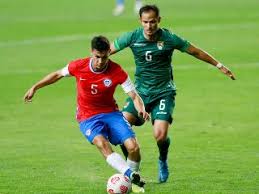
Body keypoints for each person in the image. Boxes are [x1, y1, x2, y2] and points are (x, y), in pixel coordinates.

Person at [110, 4, 236, 183]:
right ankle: (133, 163)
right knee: (122, 126)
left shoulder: (168, 38)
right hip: (140, 93)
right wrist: (88, 67)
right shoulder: (132, 37)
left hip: (163, 92)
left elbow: (195, 51)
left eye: (153, 22)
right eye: (145, 22)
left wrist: (219, 65)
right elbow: (107, 51)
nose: (149, 26)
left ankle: (162, 160)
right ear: (140, 21)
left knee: (160, 135)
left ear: (158, 20)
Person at [23, 36, 149, 191]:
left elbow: (134, 95)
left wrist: (141, 108)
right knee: (101, 143)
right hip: (87, 116)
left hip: (111, 114)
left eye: (104, 57)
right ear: (92, 52)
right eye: (97, 57)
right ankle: (131, 176)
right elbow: (57, 74)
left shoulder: (117, 71)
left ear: (109, 52)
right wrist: (35, 87)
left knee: (133, 147)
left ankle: (131, 179)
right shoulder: (79, 65)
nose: (101, 61)